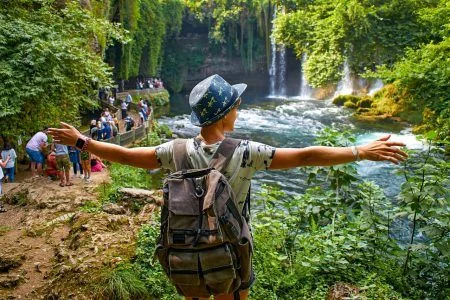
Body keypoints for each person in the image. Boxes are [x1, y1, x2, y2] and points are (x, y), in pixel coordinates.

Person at [49, 74, 408, 300]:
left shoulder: (173, 151)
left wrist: (83, 142)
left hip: (185, 248)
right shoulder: (247, 153)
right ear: (225, 114)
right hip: (233, 248)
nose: (239, 109)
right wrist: (360, 151)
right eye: (235, 105)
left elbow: (124, 155)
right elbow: (306, 156)